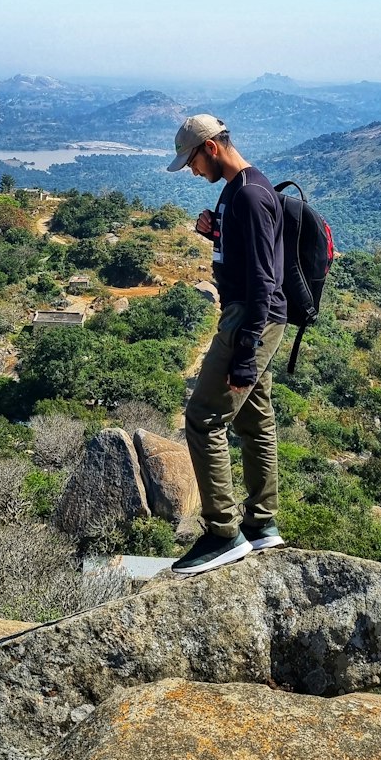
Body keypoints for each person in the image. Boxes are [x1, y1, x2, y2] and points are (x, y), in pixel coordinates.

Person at [166, 114, 287, 577]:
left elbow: (263, 280)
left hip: (250, 319)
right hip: (254, 318)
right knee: (256, 419)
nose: (193, 171)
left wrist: (246, 349)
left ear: (211, 148)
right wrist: (215, 233)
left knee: (203, 417)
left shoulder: (251, 196)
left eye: (193, 161)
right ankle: (262, 524)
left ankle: (223, 533)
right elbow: (252, 256)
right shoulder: (240, 190)